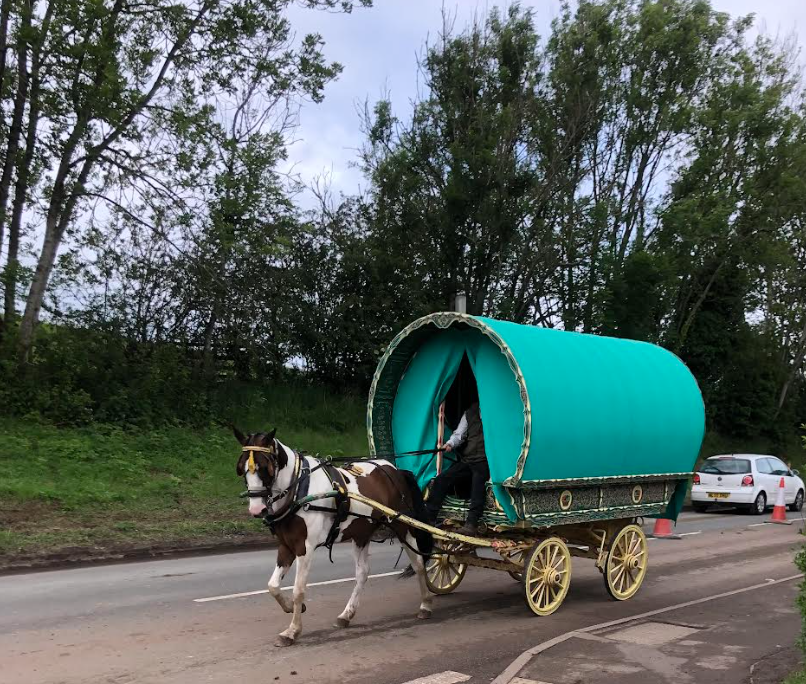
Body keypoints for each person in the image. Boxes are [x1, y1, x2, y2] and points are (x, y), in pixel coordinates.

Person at [425, 401, 489, 536]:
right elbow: (459, 434)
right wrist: (449, 444)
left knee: (478, 485)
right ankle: (429, 518)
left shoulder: (497, 413)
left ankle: (471, 524)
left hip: (487, 462)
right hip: (469, 459)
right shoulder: (470, 412)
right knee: (442, 479)